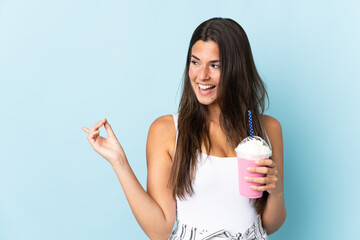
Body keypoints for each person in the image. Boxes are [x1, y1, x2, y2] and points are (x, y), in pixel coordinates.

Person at [82, 17, 286, 240]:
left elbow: (270, 224)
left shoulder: (267, 129)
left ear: (236, 68)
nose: (201, 75)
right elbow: (159, 230)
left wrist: (276, 192)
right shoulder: (167, 130)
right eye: (195, 62)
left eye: (215, 65)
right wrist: (119, 162)